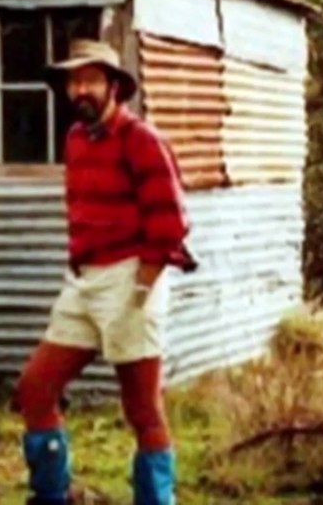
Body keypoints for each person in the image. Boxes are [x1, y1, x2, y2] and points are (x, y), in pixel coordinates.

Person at [16, 39, 192, 505]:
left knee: (142, 408)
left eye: (91, 80)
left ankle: (156, 499)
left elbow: (170, 222)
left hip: (131, 277)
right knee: (36, 388)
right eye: (74, 81)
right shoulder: (76, 138)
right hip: (83, 281)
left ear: (114, 86)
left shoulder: (141, 139)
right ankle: (53, 495)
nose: (81, 90)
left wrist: (142, 287)